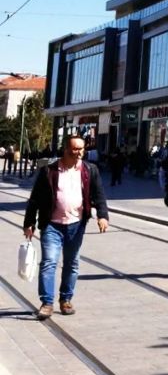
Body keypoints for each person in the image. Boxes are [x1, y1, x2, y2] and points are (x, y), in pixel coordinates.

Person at [22, 135, 109, 319]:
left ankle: (66, 299)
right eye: (75, 149)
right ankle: (47, 303)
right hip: (52, 225)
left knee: (72, 263)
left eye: (82, 149)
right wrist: (29, 223)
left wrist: (102, 216)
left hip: (76, 225)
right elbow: (35, 199)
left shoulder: (89, 170)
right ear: (65, 149)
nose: (79, 153)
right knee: (49, 263)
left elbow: (99, 195)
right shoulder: (49, 171)